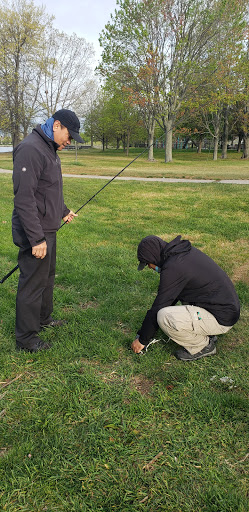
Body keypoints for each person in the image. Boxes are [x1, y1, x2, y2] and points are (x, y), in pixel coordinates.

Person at [12, 109, 84, 352]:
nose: (69, 141)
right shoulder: (31, 149)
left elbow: (49, 189)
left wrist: (62, 210)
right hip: (35, 232)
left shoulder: (49, 149)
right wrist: (36, 238)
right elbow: (24, 198)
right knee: (32, 284)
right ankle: (26, 338)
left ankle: (44, 319)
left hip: (48, 230)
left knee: (47, 279)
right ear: (56, 125)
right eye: (69, 135)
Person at [131, 235, 240, 361]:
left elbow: (159, 306)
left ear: (153, 257)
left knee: (164, 316)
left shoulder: (173, 268)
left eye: (147, 264)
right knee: (175, 305)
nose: (150, 267)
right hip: (225, 309)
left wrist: (142, 340)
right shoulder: (182, 254)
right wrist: (142, 332)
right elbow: (170, 298)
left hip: (222, 318)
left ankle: (202, 346)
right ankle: (207, 332)